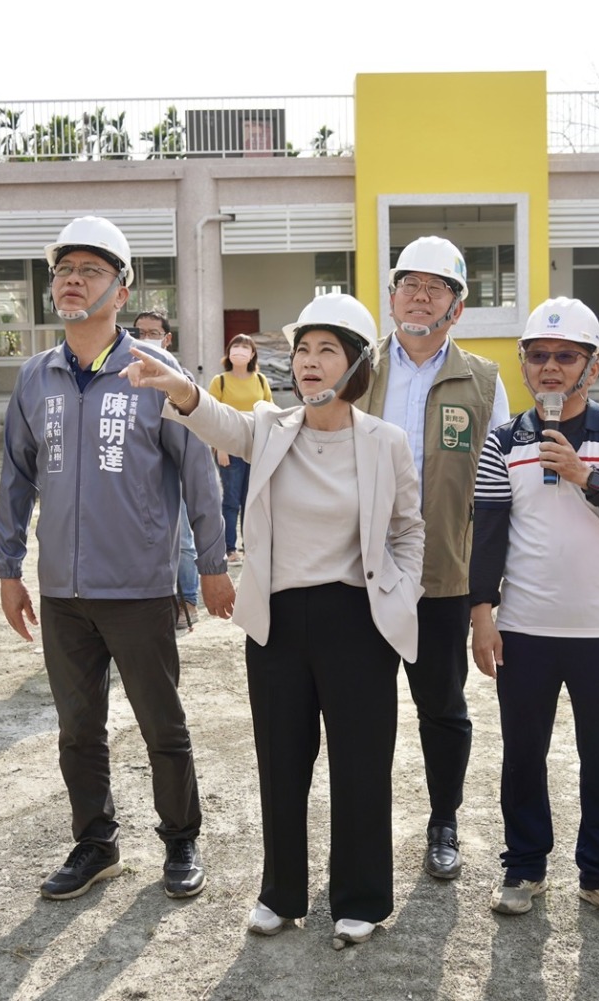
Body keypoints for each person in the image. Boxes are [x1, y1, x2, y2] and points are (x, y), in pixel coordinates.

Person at [124, 292, 424, 949]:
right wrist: (180, 387)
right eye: (303, 350)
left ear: (355, 365)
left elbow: (408, 532)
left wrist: (398, 599)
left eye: (327, 350)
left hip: (358, 620)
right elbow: (218, 423)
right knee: (282, 762)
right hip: (280, 623)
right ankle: (281, 893)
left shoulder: (386, 443)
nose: (310, 362)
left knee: (361, 765)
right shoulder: (270, 425)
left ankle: (361, 897)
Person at [0, 216, 234, 903]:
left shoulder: (157, 374)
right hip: (64, 592)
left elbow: (198, 475)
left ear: (122, 289)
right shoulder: (35, 377)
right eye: (64, 268)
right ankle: (95, 843)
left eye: (91, 270)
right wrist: (8, 569)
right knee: (77, 728)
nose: (73, 280)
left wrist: (212, 564)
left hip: (139, 588)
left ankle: (181, 838)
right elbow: (16, 477)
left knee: (162, 722)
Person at [468, 298, 599, 924]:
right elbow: (489, 532)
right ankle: (524, 868)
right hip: (524, 628)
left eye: (565, 356)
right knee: (523, 754)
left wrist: (586, 476)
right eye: (539, 355)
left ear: (592, 366)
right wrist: (482, 614)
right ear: (523, 363)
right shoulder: (505, 439)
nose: (550, 367)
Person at [355, 235, 509, 879]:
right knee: (362, 708)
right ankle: (364, 824)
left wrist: (487, 600)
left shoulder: (482, 381)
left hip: (443, 577)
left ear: (458, 306)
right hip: (362, 573)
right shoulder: (358, 368)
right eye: (408, 285)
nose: (420, 297)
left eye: (435, 287)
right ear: (390, 298)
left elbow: (499, 493)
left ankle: (443, 821)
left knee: (442, 708)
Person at [134, 309, 199, 633]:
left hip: (173, 474)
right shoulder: (126, 376)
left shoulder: (180, 376)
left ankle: (188, 600)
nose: (145, 338)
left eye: (152, 332)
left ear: (167, 338)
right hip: (139, 480)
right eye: (139, 332)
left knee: (183, 540)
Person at [207, 333, 274, 563]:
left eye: (245, 348)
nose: (240, 351)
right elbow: (211, 416)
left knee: (252, 500)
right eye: (236, 346)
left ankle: (251, 546)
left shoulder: (261, 380)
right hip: (229, 450)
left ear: (252, 354)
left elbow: (269, 413)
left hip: (256, 449)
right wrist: (220, 447)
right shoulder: (220, 381)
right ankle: (229, 548)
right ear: (229, 351)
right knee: (231, 500)